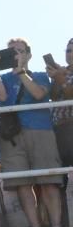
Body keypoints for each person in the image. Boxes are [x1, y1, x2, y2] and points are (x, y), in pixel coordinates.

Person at [0, 37, 66, 227]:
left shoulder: (40, 75)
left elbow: (39, 94)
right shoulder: (5, 79)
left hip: (41, 131)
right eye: (11, 52)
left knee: (49, 180)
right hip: (12, 135)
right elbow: (2, 97)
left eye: (20, 51)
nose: (16, 55)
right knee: (23, 183)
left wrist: (22, 72)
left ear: (29, 54)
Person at [46, 37, 73, 166]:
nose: (70, 54)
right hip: (58, 127)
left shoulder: (61, 73)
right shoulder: (62, 71)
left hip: (70, 127)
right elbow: (54, 96)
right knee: (61, 169)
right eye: (68, 50)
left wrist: (59, 77)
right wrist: (57, 77)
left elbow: (70, 96)